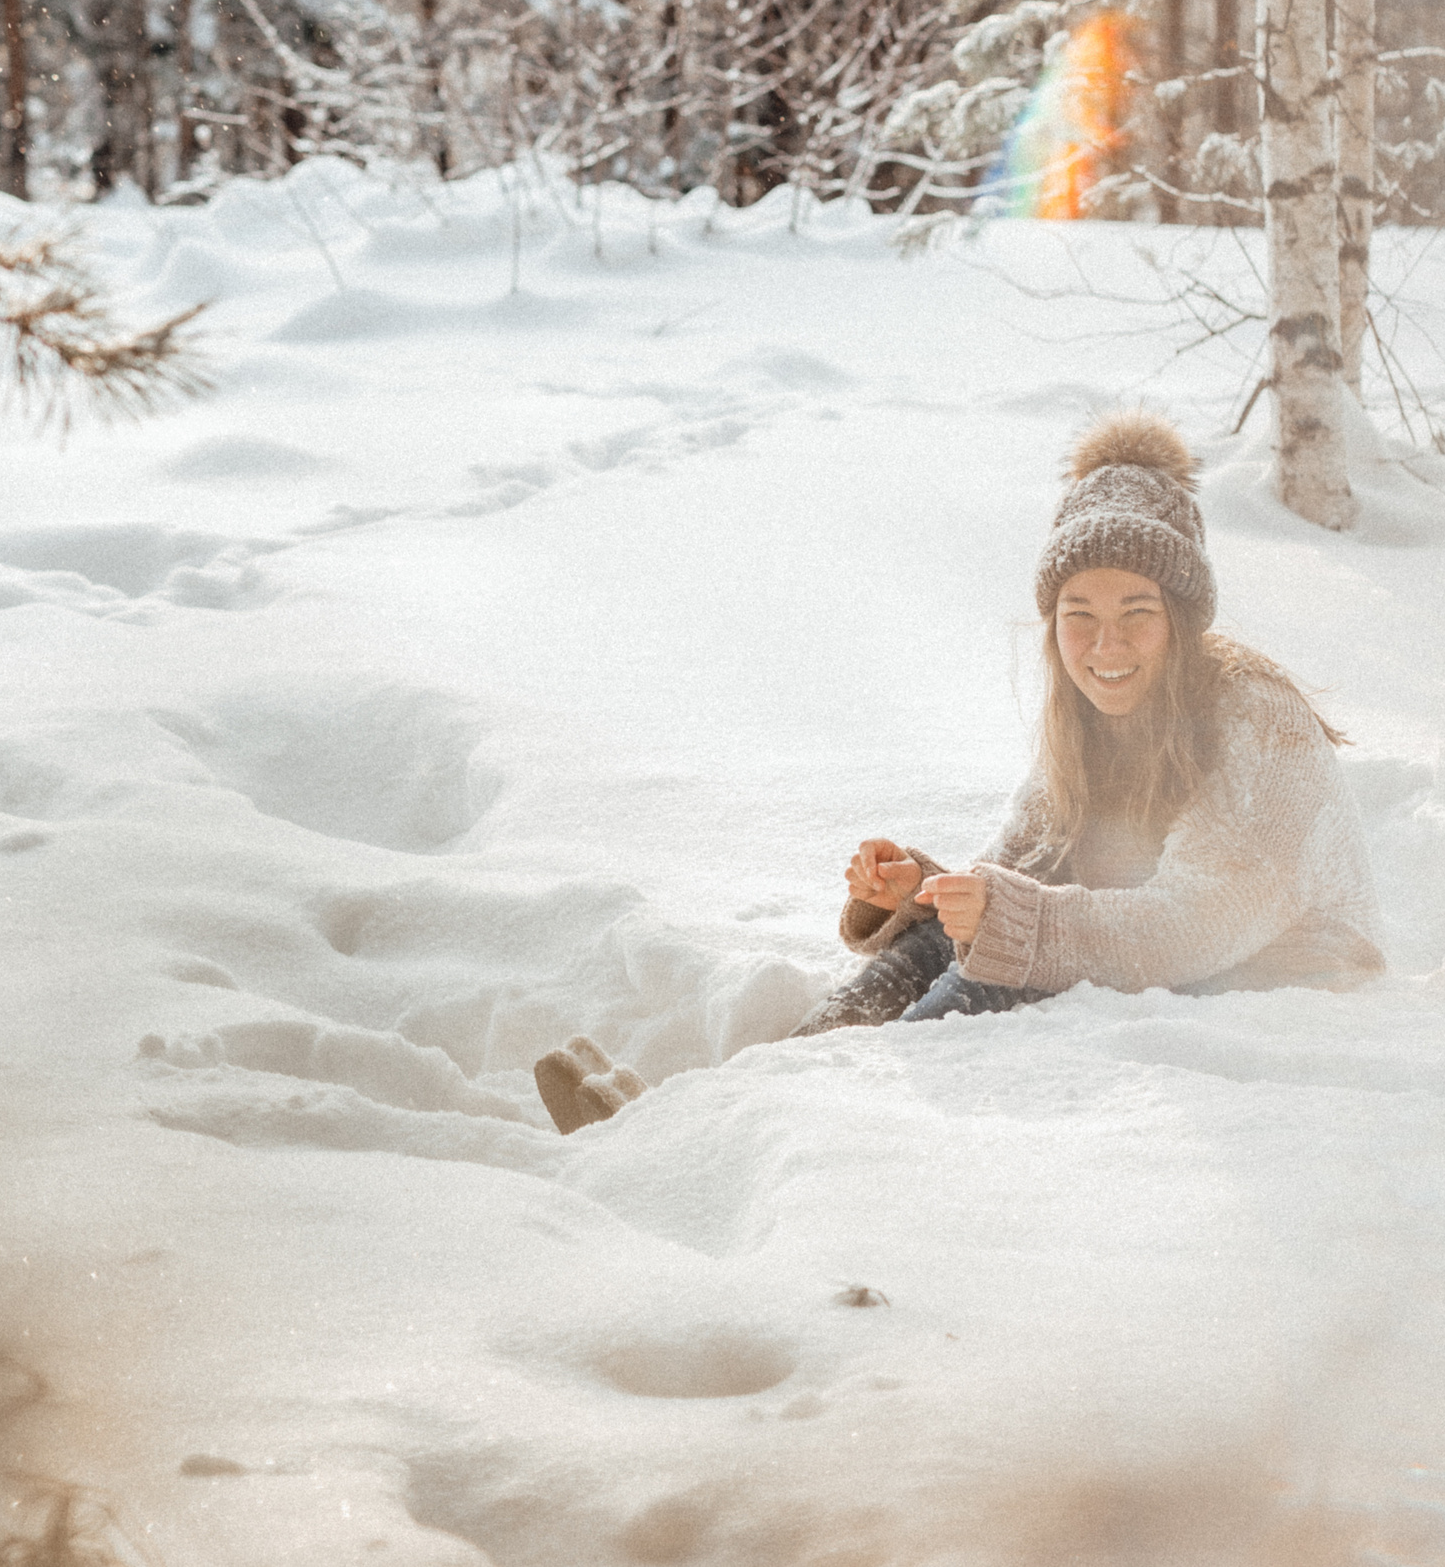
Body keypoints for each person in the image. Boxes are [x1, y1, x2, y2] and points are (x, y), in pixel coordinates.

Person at [535, 412, 1381, 1134]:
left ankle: (780, 1121)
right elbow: (1010, 887)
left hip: (1288, 1000)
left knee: (996, 967)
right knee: (951, 938)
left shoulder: (1254, 713)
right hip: (1175, 980)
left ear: (1184, 621)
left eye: (1137, 614)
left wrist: (1005, 919)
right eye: (1078, 616)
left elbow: (1195, 924)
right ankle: (731, 1113)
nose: (1105, 645)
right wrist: (922, 890)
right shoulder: (1087, 731)